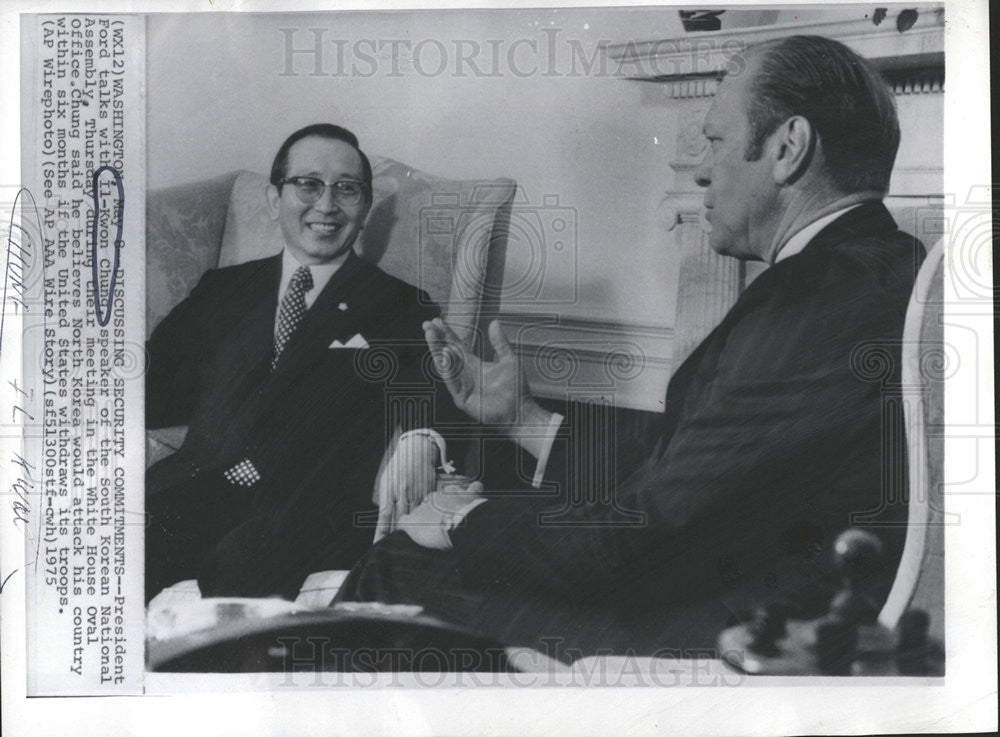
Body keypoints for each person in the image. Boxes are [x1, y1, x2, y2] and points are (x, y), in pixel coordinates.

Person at [336, 36, 926, 656]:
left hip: (735, 635)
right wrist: (525, 421)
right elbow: (690, 465)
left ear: (788, 147)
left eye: (717, 140)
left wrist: (462, 521)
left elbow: (642, 537)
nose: (700, 168)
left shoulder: (821, 293)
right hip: (744, 592)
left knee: (397, 568)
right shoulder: (879, 265)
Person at [145, 124, 462, 602]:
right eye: (308, 184)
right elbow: (153, 389)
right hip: (187, 497)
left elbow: (434, 389)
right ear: (275, 200)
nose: (327, 205)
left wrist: (421, 440)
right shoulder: (223, 289)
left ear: (365, 205)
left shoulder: (400, 305)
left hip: (299, 518)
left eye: (346, 189)